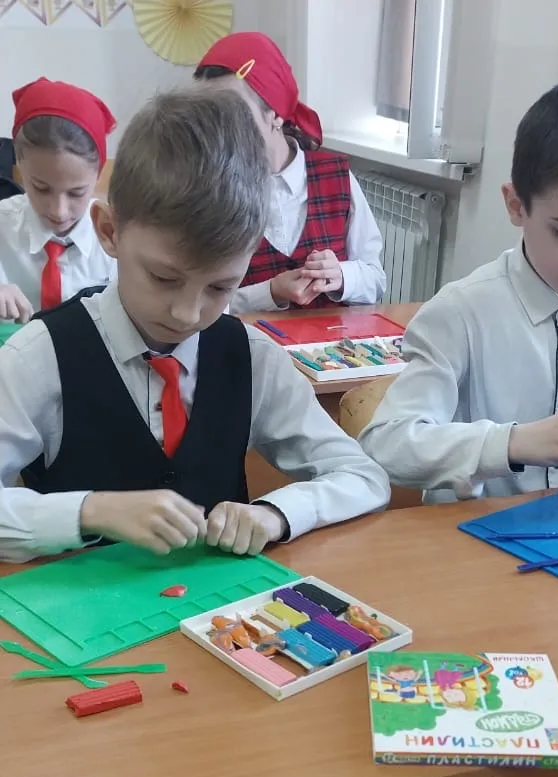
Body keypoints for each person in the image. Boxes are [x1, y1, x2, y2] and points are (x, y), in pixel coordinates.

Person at [0, 88, 389, 563]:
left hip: (227, 606)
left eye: (221, 287)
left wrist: (277, 513)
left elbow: (363, 477)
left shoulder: (251, 357)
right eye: (164, 278)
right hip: (68, 602)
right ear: (109, 231)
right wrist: (89, 511)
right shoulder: (40, 356)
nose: (186, 314)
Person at [359, 77, 558, 501]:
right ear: (516, 206)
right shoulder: (460, 312)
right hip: (476, 529)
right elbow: (388, 444)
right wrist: (511, 444)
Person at [194, 32, 386, 312]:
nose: (218, 128)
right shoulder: (211, 192)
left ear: (274, 114)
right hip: (249, 338)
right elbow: (201, 306)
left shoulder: (336, 178)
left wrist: (342, 276)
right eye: (208, 115)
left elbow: (376, 280)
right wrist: (270, 292)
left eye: (232, 112)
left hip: (331, 339)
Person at [0, 77, 116, 322]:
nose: (59, 211)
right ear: (19, 164)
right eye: (41, 188)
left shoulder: (119, 239)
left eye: (76, 193)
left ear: (98, 174)